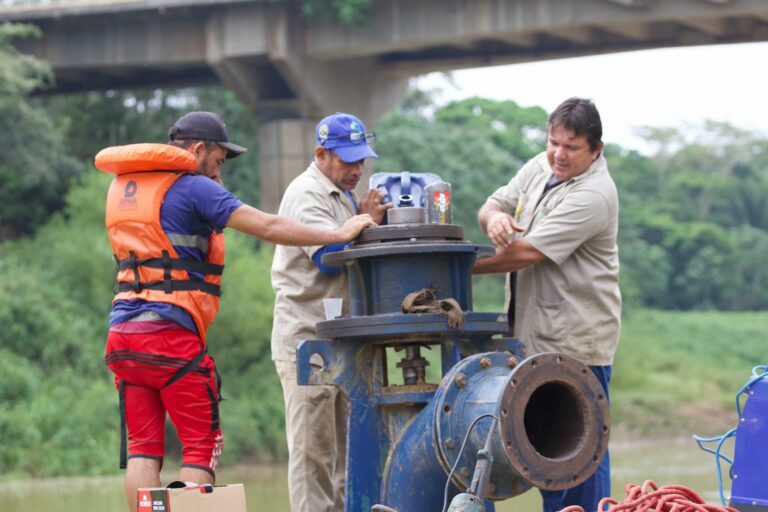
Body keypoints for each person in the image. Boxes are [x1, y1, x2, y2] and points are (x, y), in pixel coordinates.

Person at [96, 111, 376, 512]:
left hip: (123, 333)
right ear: (197, 150)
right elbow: (267, 226)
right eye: (219, 160)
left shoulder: (128, 186)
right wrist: (339, 233)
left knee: (144, 448)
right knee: (198, 446)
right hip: (170, 335)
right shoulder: (193, 186)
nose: (218, 169)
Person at [474, 97, 621, 512]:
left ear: (596, 150)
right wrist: (494, 219)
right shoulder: (542, 166)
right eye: (554, 142)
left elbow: (525, 253)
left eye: (571, 147)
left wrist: (456, 270)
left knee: (576, 460)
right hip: (532, 340)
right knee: (542, 455)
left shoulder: (595, 195)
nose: (558, 154)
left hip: (575, 345)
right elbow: (493, 202)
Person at [270, 112, 391, 512]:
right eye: (348, 161)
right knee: (313, 459)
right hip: (308, 342)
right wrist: (368, 221)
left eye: (361, 160)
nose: (358, 169)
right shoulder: (308, 193)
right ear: (321, 154)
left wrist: (370, 223)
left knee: (341, 459)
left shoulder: (343, 195)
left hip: (338, 342)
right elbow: (328, 257)